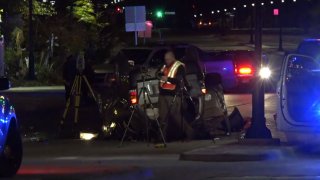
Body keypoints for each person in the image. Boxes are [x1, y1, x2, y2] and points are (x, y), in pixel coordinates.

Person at [158, 50, 195, 142]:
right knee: (163, 117)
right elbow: (158, 73)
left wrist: (167, 79)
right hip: (163, 94)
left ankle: (190, 132)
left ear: (172, 58)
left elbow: (179, 80)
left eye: (168, 59)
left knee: (176, 116)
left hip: (173, 94)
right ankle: (162, 138)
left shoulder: (179, 66)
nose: (166, 61)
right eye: (165, 59)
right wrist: (159, 75)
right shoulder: (164, 65)